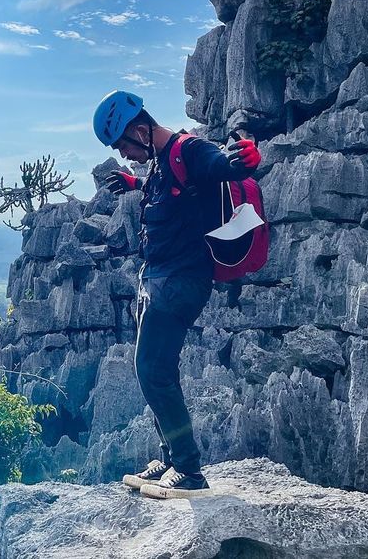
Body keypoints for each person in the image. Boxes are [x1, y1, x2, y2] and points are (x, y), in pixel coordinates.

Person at [92, 90, 261, 499]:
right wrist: (134, 182)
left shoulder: (191, 151)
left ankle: (187, 468)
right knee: (156, 370)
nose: (126, 154)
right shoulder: (161, 162)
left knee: (151, 368)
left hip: (182, 281)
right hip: (159, 280)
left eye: (125, 146)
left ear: (140, 130)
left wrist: (246, 157)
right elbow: (166, 194)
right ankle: (171, 457)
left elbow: (226, 166)